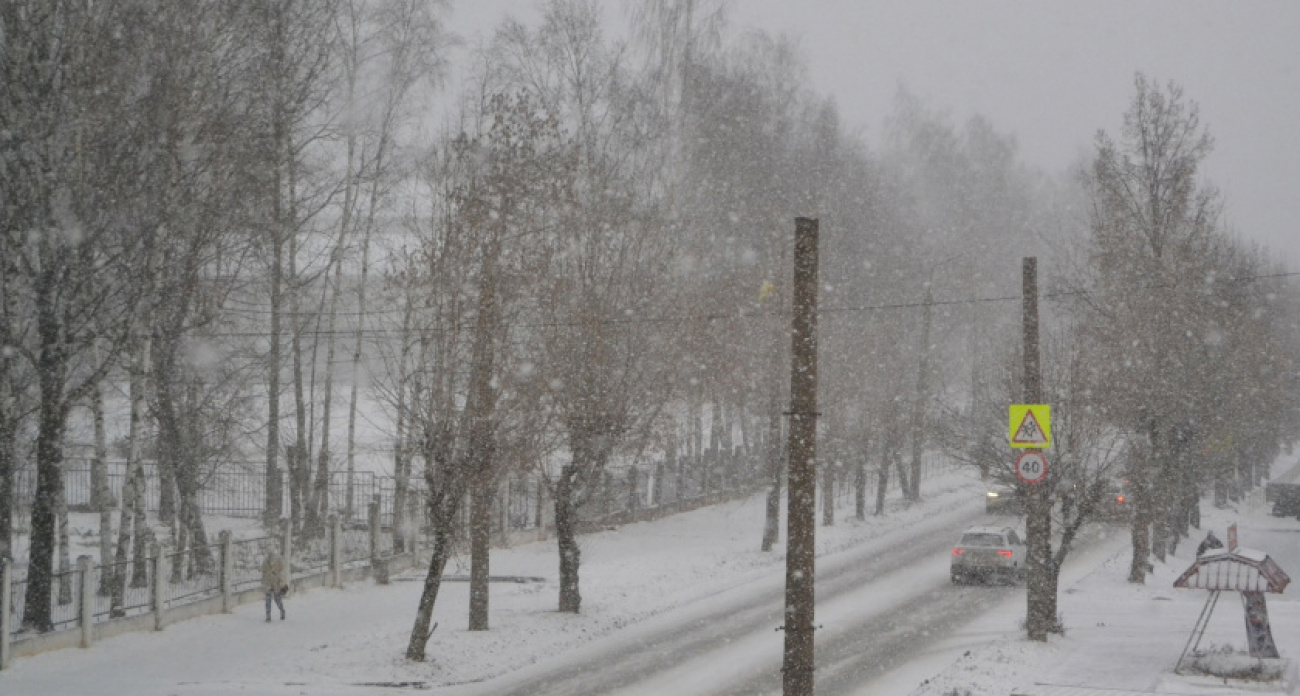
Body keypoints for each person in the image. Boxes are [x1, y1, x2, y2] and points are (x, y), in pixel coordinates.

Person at [261, 550, 289, 622]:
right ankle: (268, 615)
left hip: (277, 582)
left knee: (277, 599)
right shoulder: (265, 562)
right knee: (268, 599)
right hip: (268, 582)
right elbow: (263, 572)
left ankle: (282, 611)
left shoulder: (279, 560)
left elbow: (282, 571)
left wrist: (282, 582)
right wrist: (264, 581)